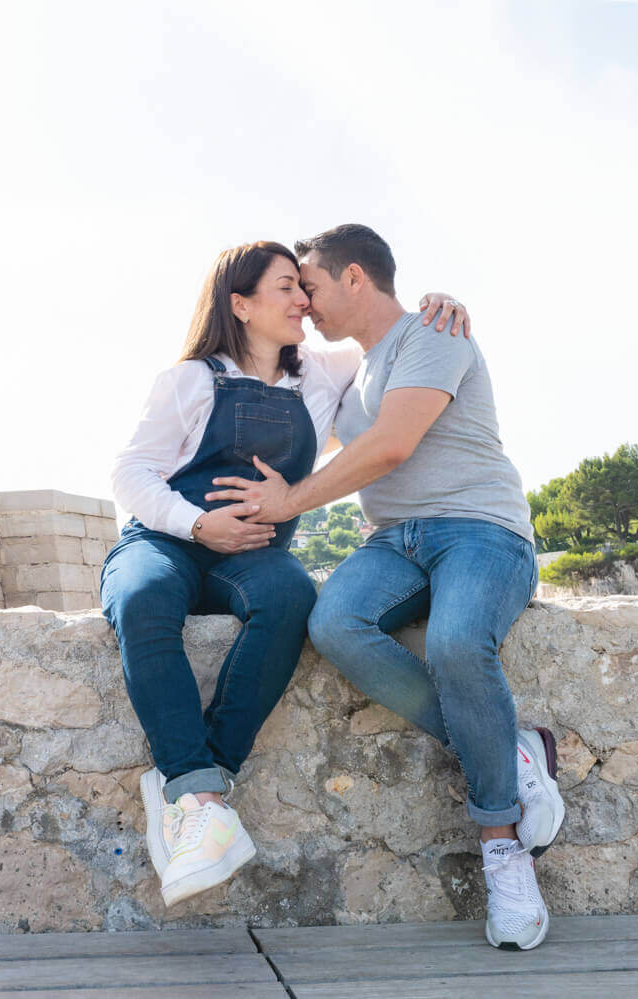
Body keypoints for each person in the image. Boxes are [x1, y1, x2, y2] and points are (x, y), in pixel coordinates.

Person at [204, 224, 565, 948]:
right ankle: (510, 748)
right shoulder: (346, 370)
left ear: (355, 279)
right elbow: (291, 384)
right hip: (393, 541)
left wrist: (288, 501)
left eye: (309, 284)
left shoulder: (436, 333)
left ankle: (502, 843)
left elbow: (393, 443)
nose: (303, 302)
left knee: (459, 642)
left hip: (480, 529)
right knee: (334, 621)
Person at [102, 239, 469, 906]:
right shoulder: (189, 379)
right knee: (143, 596)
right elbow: (130, 471)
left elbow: (387, 333)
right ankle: (196, 790)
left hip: (257, 555)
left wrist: (436, 304)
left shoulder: (324, 374)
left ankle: (202, 785)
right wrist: (196, 523)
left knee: (294, 593)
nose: (303, 300)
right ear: (239, 304)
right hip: (168, 540)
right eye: (285, 289)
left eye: (305, 288)